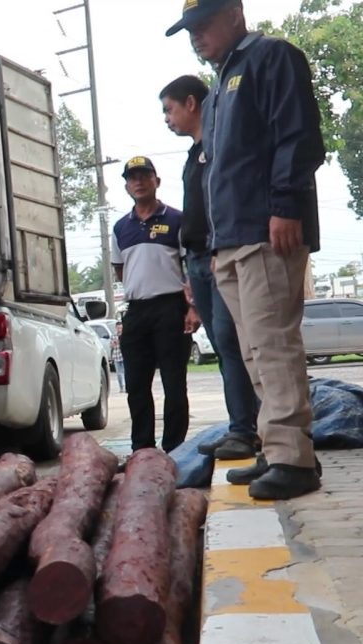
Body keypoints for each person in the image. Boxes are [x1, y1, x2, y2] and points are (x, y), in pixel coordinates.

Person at [168, 0, 325, 499]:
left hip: (265, 230)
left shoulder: (270, 57)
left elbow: (297, 137)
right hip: (230, 240)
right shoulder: (217, 89)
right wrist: (213, 244)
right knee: (253, 351)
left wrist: (285, 205)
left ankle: (294, 460)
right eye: (188, 29)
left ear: (234, 12)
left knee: (273, 344)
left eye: (203, 24)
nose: (196, 36)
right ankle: (273, 448)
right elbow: (217, 171)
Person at [160, 74, 260, 461]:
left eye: (169, 110)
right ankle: (242, 424)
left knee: (230, 338)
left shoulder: (218, 148)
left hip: (221, 254)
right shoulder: (192, 155)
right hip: (197, 260)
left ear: (191, 103)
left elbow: (226, 202)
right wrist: (188, 272)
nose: (167, 119)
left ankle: (246, 429)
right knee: (221, 345)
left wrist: (221, 246)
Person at [111, 156, 201, 454]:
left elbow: (192, 267)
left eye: (144, 176)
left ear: (156, 181)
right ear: (126, 185)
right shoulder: (121, 227)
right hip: (137, 311)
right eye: (132, 177)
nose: (138, 182)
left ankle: (175, 449)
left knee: (174, 384)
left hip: (171, 309)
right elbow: (120, 270)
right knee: (136, 385)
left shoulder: (177, 219)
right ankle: (143, 450)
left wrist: (193, 307)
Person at [111, 322, 125, 394]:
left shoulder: (125, 335)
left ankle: (125, 387)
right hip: (116, 356)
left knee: (125, 372)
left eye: (121, 328)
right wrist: (114, 343)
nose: (119, 329)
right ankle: (121, 387)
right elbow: (111, 346)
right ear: (116, 328)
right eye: (118, 328)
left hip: (123, 356)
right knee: (119, 373)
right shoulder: (113, 336)